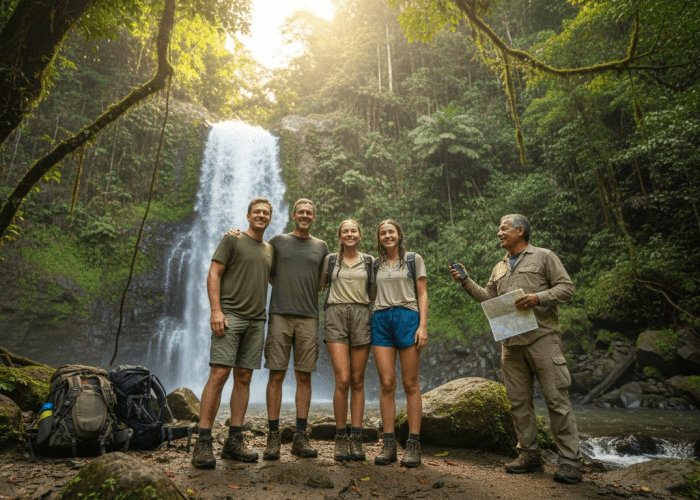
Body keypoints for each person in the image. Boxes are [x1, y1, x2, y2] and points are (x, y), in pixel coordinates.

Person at [449, 214, 583, 484]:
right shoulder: (499, 267)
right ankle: (530, 455)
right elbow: (488, 299)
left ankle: (570, 461)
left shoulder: (543, 256)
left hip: (542, 337)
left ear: (520, 231)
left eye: (503, 228)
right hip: (510, 341)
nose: (499, 232)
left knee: (556, 399)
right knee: (518, 402)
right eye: (499, 228)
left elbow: (567, 289)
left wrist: (538, 298)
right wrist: (465, 281)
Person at [191, 197, 275, 469]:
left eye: (266, 213)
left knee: (244, 376)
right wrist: (216, 311)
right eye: (257, 212)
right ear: (248, 215)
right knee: (219, 373)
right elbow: (214, 272)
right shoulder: (233, 240)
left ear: (270, 218)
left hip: (256, 320)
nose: (261, 215)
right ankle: (203, 441)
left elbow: (279, 278)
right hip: (230, 317)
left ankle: (234, 440)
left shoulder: (270, 250)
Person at [263, 198, 329, 460]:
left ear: (314, 217)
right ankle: (273, 438)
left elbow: (323, 281)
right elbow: (263, 265)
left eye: (308, 213)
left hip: (309, 318)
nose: (304, 215)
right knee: (276, 375)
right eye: (300, 212)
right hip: (279, 315)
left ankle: (300, 437)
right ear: (293, 215)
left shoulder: (321, 247)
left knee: (304, 376)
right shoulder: (277, 242)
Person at [371, 219, 428, 468]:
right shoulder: (374, 264)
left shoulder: (414, 259)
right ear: (379, 238)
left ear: (399, 234)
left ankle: (414, 444)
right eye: (383, 233)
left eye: (391, 231)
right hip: (381, 318)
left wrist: (423, 325)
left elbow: (423, 293)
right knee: (386, 383)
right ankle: (389, 444)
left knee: (410, 383)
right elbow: (371, 295)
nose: (387, 236)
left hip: (407, 316)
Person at [319, 220, 374, 461]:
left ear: (360, 235)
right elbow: (319, 284)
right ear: (340, 236)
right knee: (342, 379)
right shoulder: (330, 260)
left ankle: (357, 437)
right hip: (335, 315)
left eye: (353, 230)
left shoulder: (370, 261)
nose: (349, 234)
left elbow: (376, 291)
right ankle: (340, 437)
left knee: (357, 379)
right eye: (345, 231)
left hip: (362, 314)